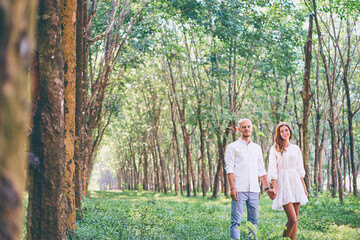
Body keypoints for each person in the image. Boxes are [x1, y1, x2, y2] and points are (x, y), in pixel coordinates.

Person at [225, 118, 275, 240]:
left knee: (253, 222)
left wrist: (267, 188)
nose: (247, 129)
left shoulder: (257, 148)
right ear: (239, 129)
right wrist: (232, 188)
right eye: (244, 127)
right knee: (236, 221)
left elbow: (261, 170)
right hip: (239, 190)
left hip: (254, 190)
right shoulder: (233, 147)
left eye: (249, 126)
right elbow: (229, 169)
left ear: (252, 128)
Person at [268, 122, 309, 240]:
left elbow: (299, 169)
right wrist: (275, 188)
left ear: (290, 132)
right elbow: (272, 170)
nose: (285, 133)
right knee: (292, 219)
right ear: (278, 134)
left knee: (296, 219)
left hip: (295, 182)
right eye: (282, 131)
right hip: (283, 183)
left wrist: (304, 188)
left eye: (287, 130)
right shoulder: (274, 149)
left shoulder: (295, 148)